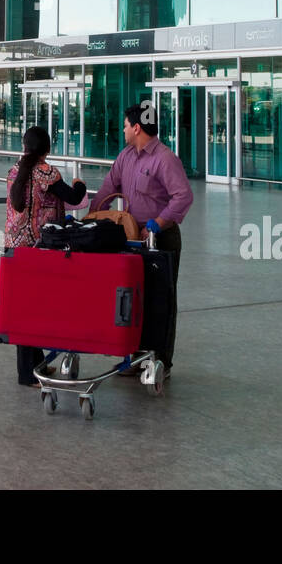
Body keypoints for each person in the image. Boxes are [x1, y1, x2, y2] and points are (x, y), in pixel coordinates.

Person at [86, 104, 193, 377]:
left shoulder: (165, 159)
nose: (122, 129)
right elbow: (109, 188)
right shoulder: (126, 157)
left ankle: (160, 362)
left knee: (162, 301)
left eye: (125, 125)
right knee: (132, 298)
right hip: (133, 237)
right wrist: (90, 218)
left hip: (161, 238)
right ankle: (134, 357)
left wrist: (158, 223)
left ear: (137, 127)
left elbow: (183, 196)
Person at [5, 126, 88, 386]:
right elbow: (74, 196)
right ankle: (26, 374)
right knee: (35, 309)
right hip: (37, 249)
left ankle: (35, 364)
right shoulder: (46, 172)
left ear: (24, 146)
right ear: (47, 150)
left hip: (13, 248)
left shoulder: (14, 171)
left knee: (23, 308)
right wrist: (80, 183)